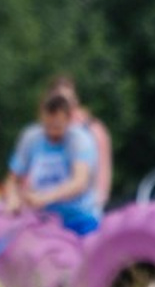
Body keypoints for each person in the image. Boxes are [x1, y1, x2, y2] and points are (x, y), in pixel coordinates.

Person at [3, 90, 102, 236]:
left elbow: (79, 183)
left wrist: (45, 197)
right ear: (41, 117)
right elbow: (12, 179)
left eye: (57, 127)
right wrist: (12, 198)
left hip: (81, 219)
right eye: (47, 126)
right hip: (43, 221)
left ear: (68, 120)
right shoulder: (30, 137)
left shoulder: (80, 140)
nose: (52, 133)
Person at [46, 75, 112, 209]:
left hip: (85, 207)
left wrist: (98, 201)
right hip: (51, 207)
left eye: (66, 99)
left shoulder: (93, 129)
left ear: (75, 100)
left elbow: (103, 169)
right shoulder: (45, 133)